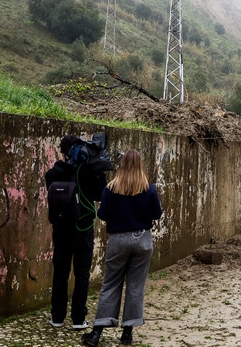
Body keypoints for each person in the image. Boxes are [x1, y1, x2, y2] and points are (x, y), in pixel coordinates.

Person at [82, 149, 163, 347]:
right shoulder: (148, 188)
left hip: (118, 239)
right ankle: (127, 333)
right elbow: (157, 213)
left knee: (110, 284)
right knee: (136, 286)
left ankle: (96, 333)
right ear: (140, 165)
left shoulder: (111, 188)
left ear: (122, 165)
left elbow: (102, 214)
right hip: (142, 240)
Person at [45, 135, 108, 331]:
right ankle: (79, 318)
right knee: (82, 274)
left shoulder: (54, 173)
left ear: (63, 152)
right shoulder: (88, 171)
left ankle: (57, 316)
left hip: (61, 230)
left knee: (60, 273)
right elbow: (100, 194)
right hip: (83, 229)